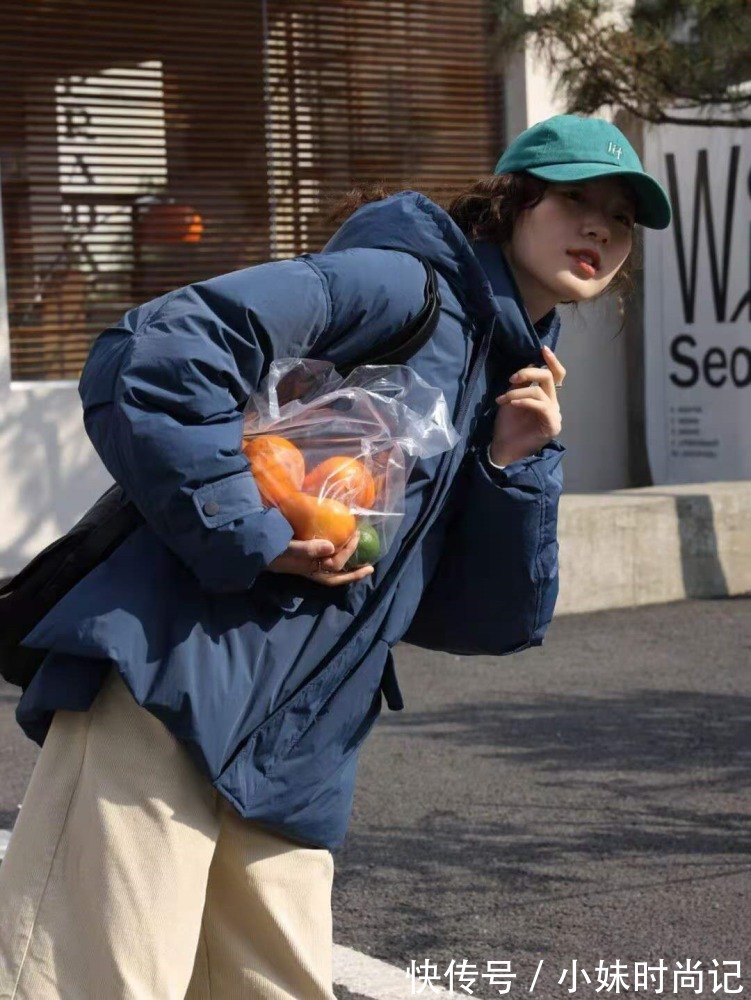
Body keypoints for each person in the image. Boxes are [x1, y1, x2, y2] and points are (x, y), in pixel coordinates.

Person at [0, 114, 670, 999]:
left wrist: (511, 463)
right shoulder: (401, 286)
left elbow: (484, 621)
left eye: (619, 218)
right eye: (576, 199)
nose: (598, 229)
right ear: (514, 202)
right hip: (179, 678)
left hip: (301, 740)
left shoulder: (513, 377)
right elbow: (156, 352)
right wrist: (255, 533)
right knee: (97, 978)